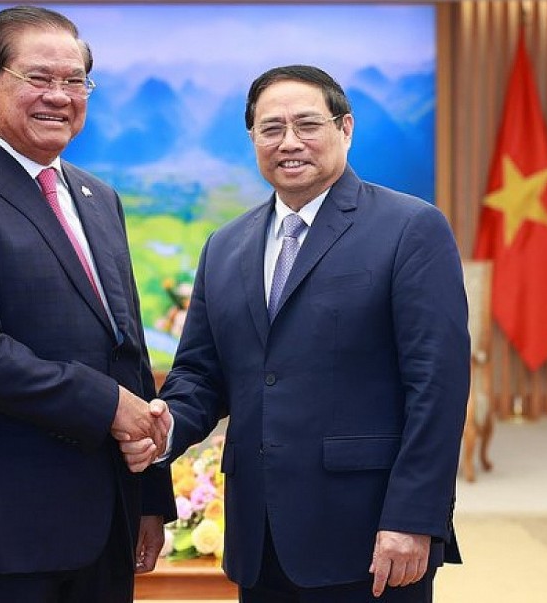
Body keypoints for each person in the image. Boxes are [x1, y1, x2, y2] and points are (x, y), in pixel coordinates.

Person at [121, 64, 470, 601]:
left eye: (307, 125)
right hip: (259, 538)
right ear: (253, 139)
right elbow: (199, 373)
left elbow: (438, 387)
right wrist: (162, 429)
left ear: (345, 128)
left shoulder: (409, 228)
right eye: (271, 128)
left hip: (370, 532)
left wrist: (414, 517)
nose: (290, 142)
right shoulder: (226, 245)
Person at [0, 5, 175, 603]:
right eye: (39, 78)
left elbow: (127, 353)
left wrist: (151, 496)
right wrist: (108, 406)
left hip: (104, 521)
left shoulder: (99, 198)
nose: (59, 96)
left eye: (74, 81)